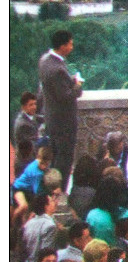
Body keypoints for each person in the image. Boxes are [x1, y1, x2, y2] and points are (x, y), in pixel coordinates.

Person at [37, 29, 83, 180]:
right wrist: (77, 85)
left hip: (52, 118)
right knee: (64, 158)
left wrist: (68, 81)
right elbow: (66, 96)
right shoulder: (56, 68)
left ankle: (54, 187)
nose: (72, 47)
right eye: (70, 44)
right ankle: (60, 191)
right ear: (62, 46)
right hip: (63, 122)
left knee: (56, 156)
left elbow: (56, 86)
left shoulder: (45, 60)